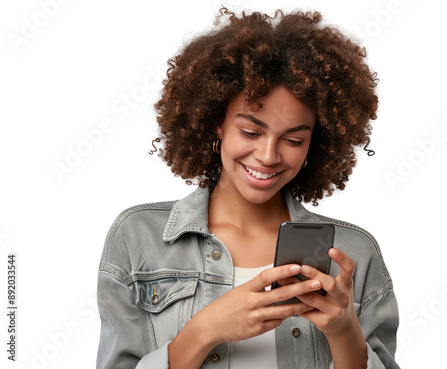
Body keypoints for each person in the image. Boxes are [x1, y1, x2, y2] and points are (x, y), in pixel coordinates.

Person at [96, 6, 400, 369]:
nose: (268, 156)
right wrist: (204, 330)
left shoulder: (353, 253)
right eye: (251, 132)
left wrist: (343, 330)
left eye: (293, 139)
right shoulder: (140, 238)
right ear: (216, 124)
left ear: (314, 146)